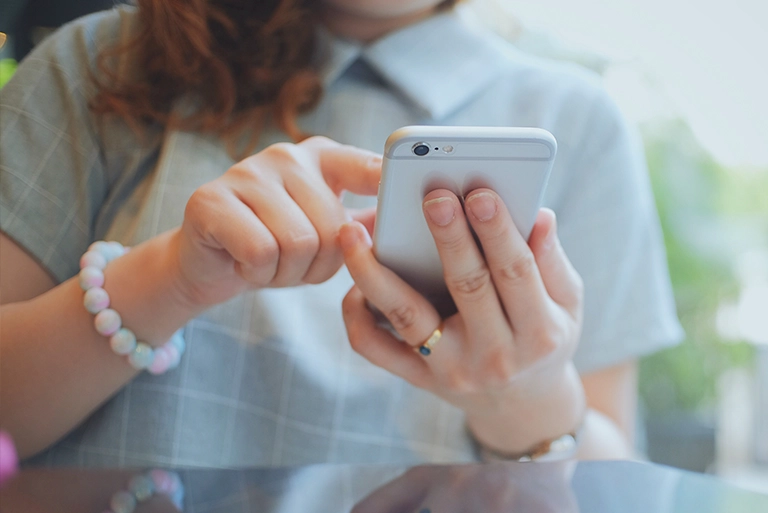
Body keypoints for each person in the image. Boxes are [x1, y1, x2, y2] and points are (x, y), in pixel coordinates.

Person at [0, 0, 683, 467]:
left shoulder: (580, 122)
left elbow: (615, 479)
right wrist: (170, 279)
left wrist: (527, 401)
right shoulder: (100, 63)